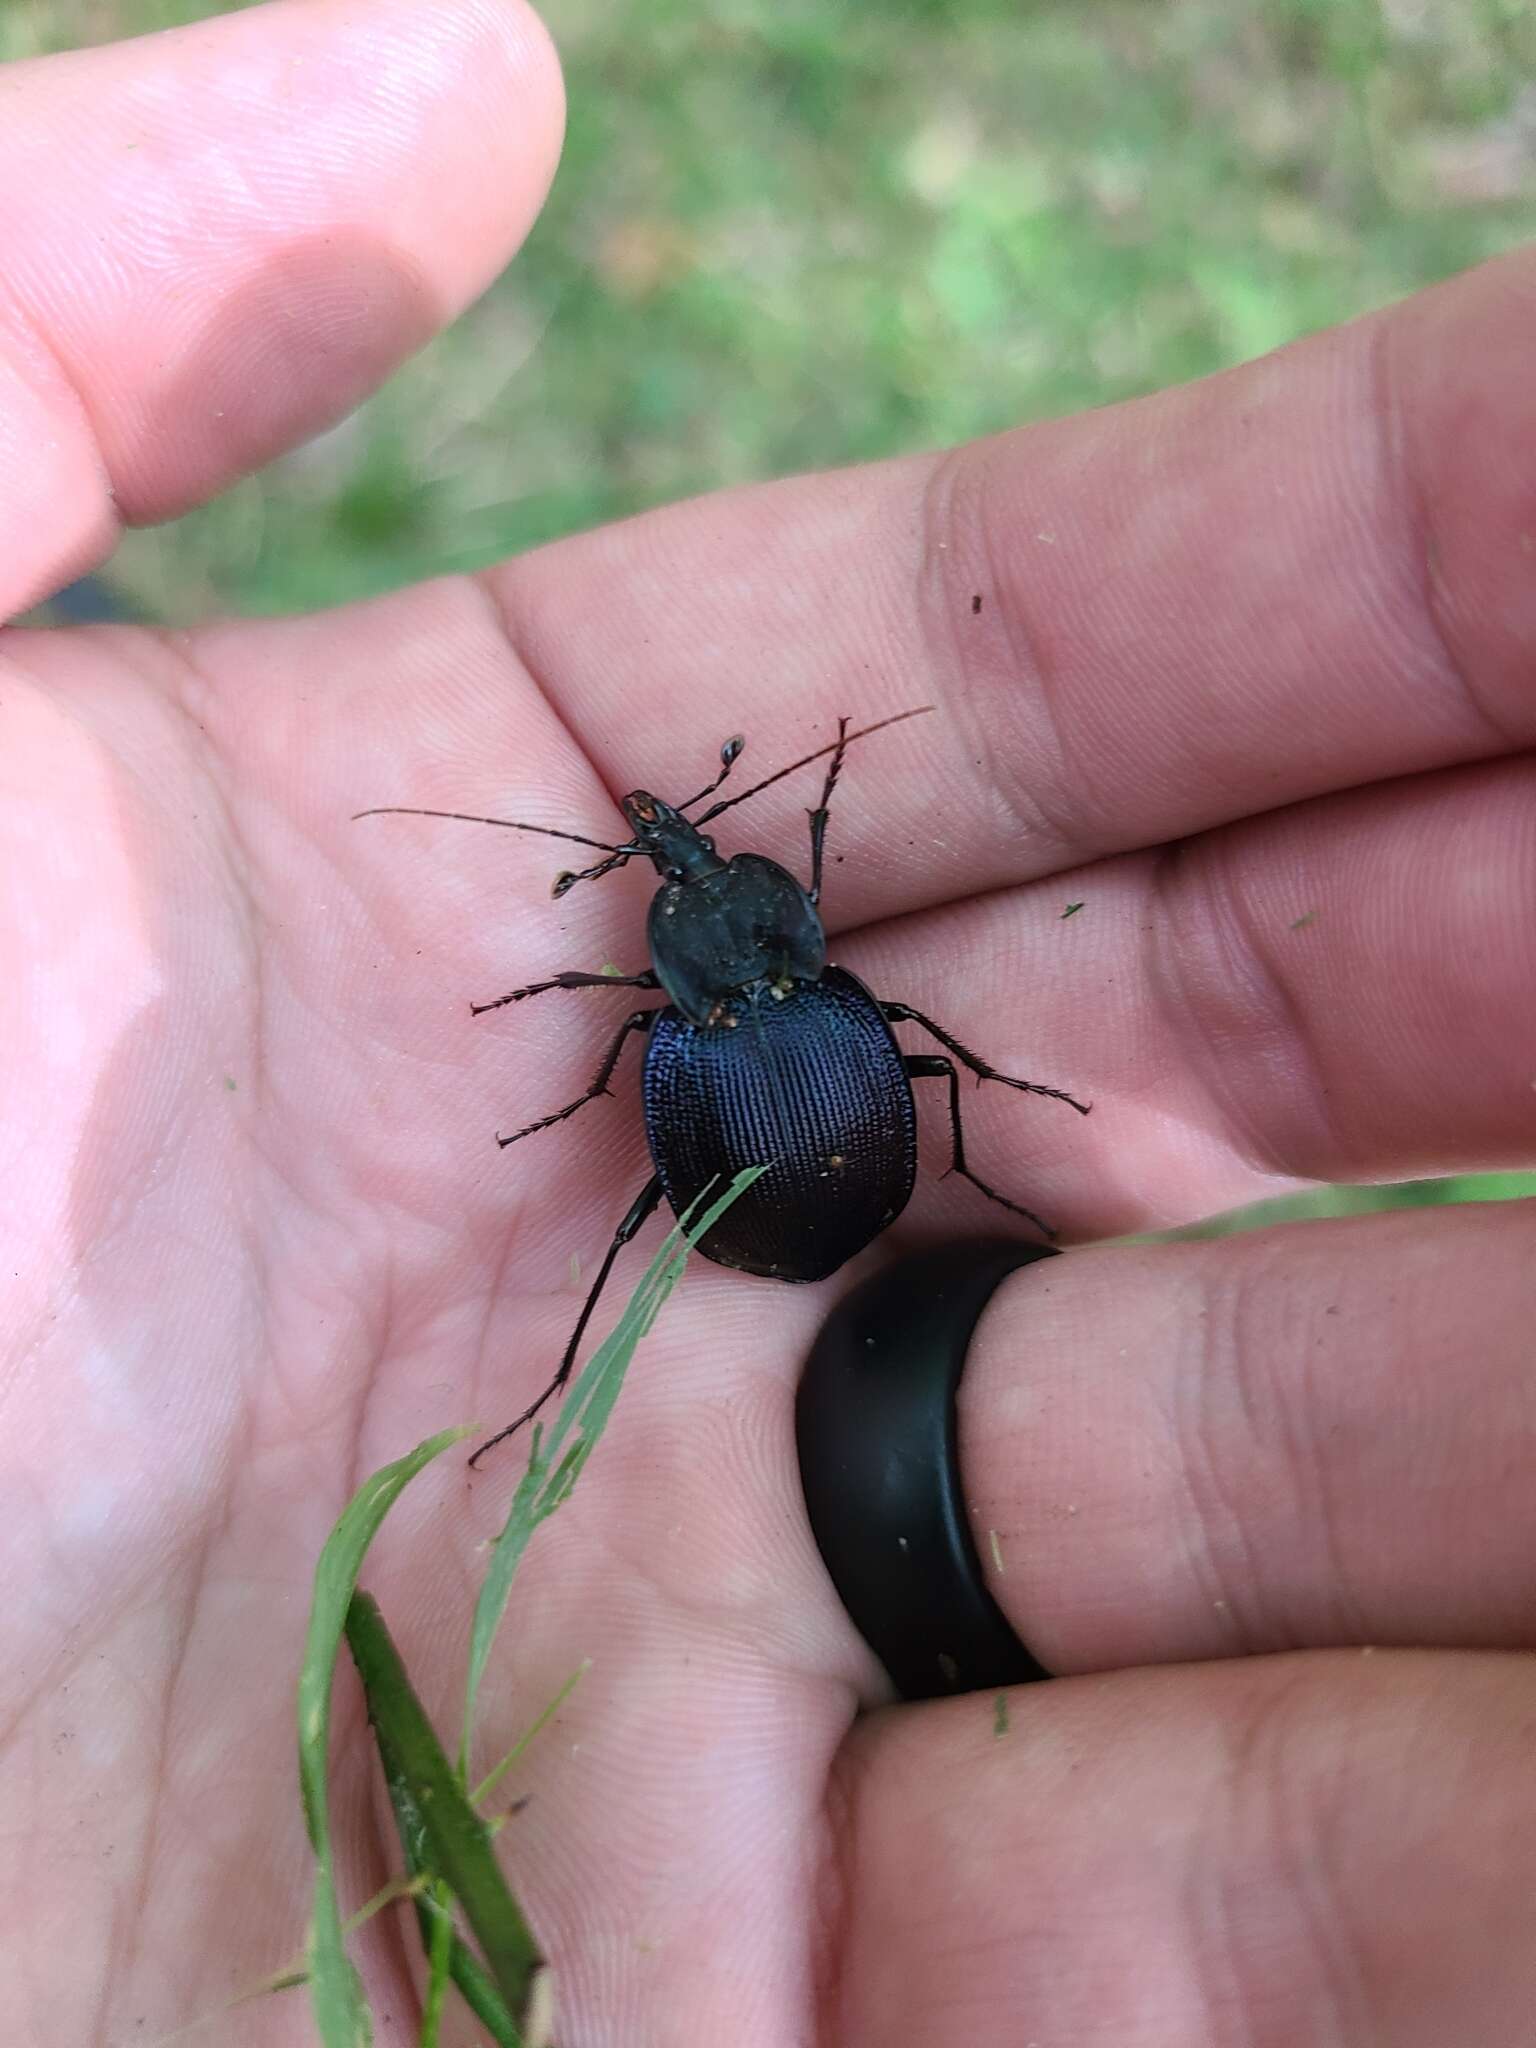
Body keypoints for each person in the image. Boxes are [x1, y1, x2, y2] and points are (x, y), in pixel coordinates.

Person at [3, 4, 1534, 2042]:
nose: (693, 880)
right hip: (821, 1147)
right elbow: (730, 953)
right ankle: (865, 1205)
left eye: (720, 874)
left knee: (786, 1141)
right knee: (892, 1085)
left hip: (792, 1159)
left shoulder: (697, 1001)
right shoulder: (777, 984)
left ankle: (731, 1280)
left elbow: (658, 982)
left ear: (726, 935)